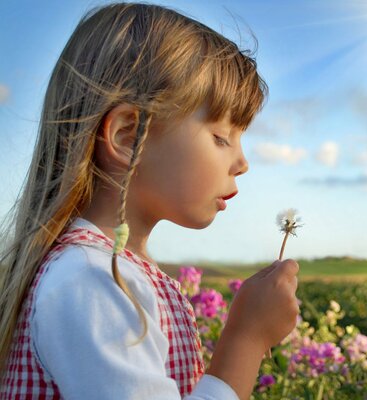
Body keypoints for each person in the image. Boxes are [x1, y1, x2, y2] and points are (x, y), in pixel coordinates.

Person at [0, 3, 300, 399]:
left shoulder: (110, 272)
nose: (242, 163)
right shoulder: (91, 280)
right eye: (221, 137)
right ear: (128, 136)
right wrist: (246, 339)